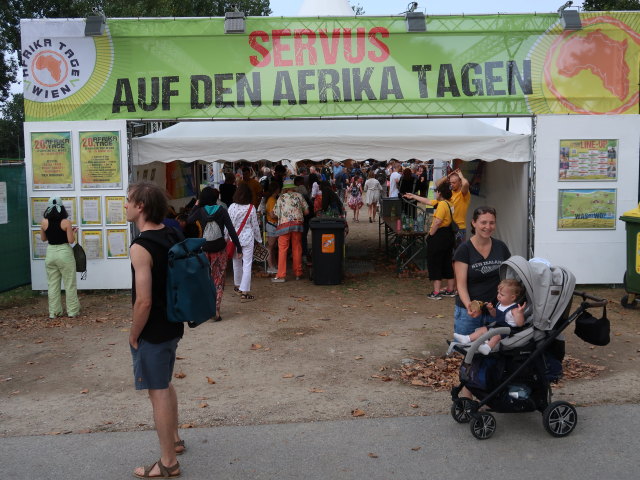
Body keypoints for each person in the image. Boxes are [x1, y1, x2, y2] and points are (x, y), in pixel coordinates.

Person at [126, 182, 184, 479]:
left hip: (154, 329)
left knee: (157, 390)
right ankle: (174, 440)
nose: (124, 205)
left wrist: (134, 333)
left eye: (128, 200)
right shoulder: (171, 232)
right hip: (174, 323)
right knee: (165, 383)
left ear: (141, 207)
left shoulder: (140, 246)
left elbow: (144, 300)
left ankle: (168, 462)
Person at [453, 206, 511, 335]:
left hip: (494, 311)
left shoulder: (501, 247)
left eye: (492, 223)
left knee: (492, 352)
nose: (488, 227)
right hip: (469, 313)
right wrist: (470, 306)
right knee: (465, 350)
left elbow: (508, 279)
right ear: (474, 223)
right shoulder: (464, 250)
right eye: (483, 222)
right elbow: (461, 285)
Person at [187, 187, 242, 321]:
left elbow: (188, 220)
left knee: (205, 279)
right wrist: (238, 247)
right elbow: (231, 230)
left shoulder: (200, 211)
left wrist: (196, 205)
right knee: (218, 279)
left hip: (204, 249)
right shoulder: (222, 210)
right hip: (219, 249)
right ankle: (215, 311)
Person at [453, 279, 527, 355]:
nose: (498, 296)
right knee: (483, 329)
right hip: (499, 326)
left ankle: (487, 347)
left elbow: (520, 324)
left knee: (496, 336)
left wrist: (519, 314)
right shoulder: (500, 304)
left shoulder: (514, 309)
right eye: (498, 293)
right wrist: (491, 309)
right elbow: (495, 315)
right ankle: (467, 339)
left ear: (512, 297)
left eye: (502, 295)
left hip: (509, 330)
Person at [39, 196, 80, 319]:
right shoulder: (66, 222)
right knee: (69, 284)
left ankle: (54, 312)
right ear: (62, 208)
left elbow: (43, 238)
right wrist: (72, 232)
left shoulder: (43, 222)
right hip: (64, 253)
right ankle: (72, 311)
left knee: (52, 284)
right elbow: (71, 241)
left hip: (50, 253)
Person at [228, 183, 262, 301]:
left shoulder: (231, 207)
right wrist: (259, 239)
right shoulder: (251, 208)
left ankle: (237, 286)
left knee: (236, 263)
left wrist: (226, 237)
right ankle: (245, 292)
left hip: (234, 239)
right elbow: (255, 225)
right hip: (248, 239)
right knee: (247, 264)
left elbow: (228, 225)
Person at [272, 179, 309, 282]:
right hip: (297, 225)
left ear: (285, 188)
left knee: (283, 249)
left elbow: (275, 213)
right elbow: (306, 212)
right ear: (293, 187)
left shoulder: (281, 198)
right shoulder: (299, 196)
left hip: (284, 225)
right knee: (297, 248)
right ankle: (298, 273)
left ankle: (281, 275)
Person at [424, 183, 457, 300]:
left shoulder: (442, 204)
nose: (435, 194)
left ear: (440, 193)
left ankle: (436, 292)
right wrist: (413, 196)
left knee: (435, 262)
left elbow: (438, 222)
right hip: (448, 236)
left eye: (437, 192)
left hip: (439, 236)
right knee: (447, 262)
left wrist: (430, 235)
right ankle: (450, 289)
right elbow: (428, 202)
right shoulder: (450, 203)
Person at [437, 167, 470, 248]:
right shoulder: (450, 192)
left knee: (458, 254)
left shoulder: (464, 193)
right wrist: (449, 175)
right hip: (449, 228)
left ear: (460, 182)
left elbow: (466, 184)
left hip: (459, 228)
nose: (451, 185)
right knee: (448, 253)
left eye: (454, 182)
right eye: (450, 182)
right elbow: (438, 184)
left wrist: (461, 176)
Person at [263, 182, 281, 274]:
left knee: (272, 247)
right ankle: (270, 266)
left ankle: (273, 265)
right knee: (270, 247)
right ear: (276, 190)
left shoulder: (271, 199)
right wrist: (282, 216)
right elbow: (272, 215)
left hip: (272, 225)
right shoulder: (272, 200)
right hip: (272, 224)